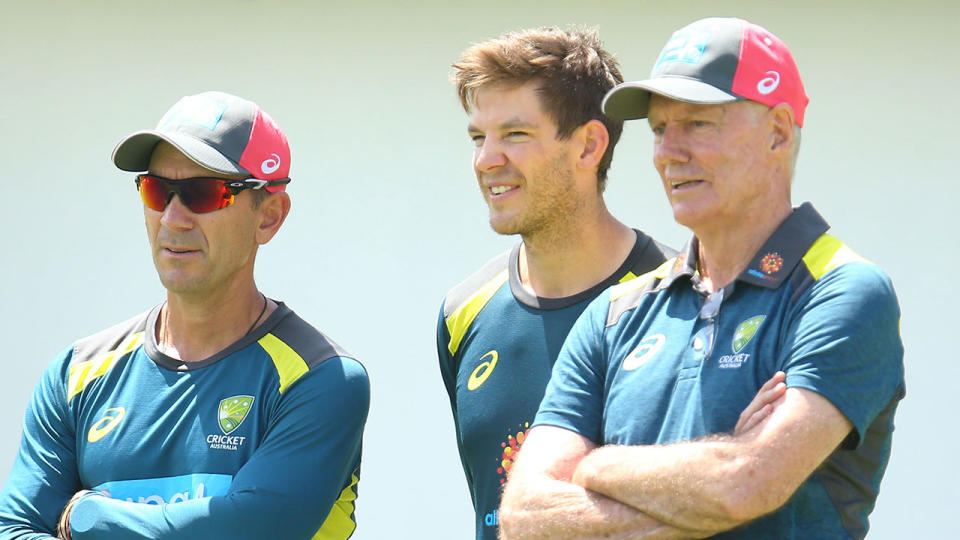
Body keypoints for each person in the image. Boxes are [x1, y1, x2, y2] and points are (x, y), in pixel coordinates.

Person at [500, 17, 905, 539]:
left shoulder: (841, 291)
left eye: (697, 124)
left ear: (778, 132)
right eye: (660, 129)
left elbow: (745, 484)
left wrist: (599, 466)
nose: (669, 152)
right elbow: (523, 518)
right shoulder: (615, 312)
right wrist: (709, 483)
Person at [0, 91, 370, 540]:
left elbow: (254, 530)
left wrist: (87, 519)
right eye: (157, 190)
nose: (173, 218)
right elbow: (16, 530)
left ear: (269, 216)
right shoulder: (75, 373)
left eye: (203, 193)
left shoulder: (320, 378)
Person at [436, 27, 676, 540]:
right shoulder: (463, 313)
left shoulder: (686, 299)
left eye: (515, 134)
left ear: (589, 144)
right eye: (479, 137)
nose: (486, 160)